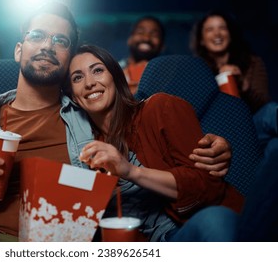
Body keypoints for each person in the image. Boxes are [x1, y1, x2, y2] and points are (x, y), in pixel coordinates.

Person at [0, 2, 232, 241]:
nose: (48, 46)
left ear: (67, 61)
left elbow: (142, 168)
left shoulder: (93, 123)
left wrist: (212, 147)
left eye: (60, 40)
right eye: (37, 36)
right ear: (18, 49)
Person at [67, 44, 244, 241]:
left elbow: (209, 186)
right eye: (77, 77)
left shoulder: (161, 108)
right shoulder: (83, 147)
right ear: (73, 96)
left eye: (98, 70)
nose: (89, 83)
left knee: (215, 220)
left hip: (184, 231)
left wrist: (131, 171)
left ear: (115, 77)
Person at [190, 10, 278, 159]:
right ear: (202, 40)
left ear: (230, 34)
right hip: (217, 133)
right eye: (210, 29)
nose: (217, 34)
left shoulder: (252, 62)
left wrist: (242, 83)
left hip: (252, 127)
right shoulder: (196, 71)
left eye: (222, 28)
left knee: (273, 129)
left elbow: (263, 103)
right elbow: (196, 111)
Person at [119, 16, 165, 94]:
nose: (146, 38)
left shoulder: (168, 77)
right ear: (129, 40)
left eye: (154, 35)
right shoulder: (113, 71)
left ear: (162, 46)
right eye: (140, 32)